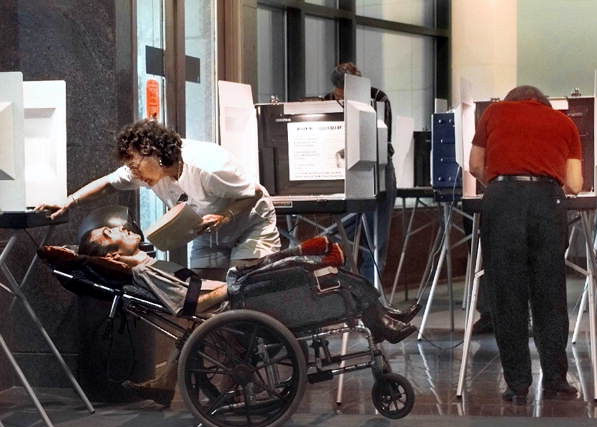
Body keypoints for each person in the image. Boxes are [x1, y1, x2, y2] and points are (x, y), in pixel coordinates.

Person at [78, 224, 417, 405]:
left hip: (236, 292)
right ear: (111, 255)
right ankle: (384, 321)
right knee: (309, 272)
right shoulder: (145, 273)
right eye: (109, 234)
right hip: (236, 300)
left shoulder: (152, 264)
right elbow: (190, 305)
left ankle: (384, 317)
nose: (118, 228)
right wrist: (234, 286)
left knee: (315, 269)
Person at [37, 119, 281, 282]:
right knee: (199, 295)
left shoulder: (208, 166)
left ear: (152, 152)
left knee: (241, 288)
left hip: (250, 226)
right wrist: (69, 201)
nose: (134, 173)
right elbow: (108, 184)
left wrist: (224, 216)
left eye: (134, 165)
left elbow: (254, 193)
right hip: (206, 232)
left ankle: (255, 352)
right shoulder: (147, 172)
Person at [469, 85, 583, 403]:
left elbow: (475, 165)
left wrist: (500, 184)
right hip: (548, 202)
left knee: (507, 293)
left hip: (502, 198)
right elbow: (574, 183)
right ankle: (557, 379)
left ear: (511, 102)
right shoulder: (565, 123)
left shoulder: (493, 113)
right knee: (550, 291)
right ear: (543, 103)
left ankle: (518, 384)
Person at [323, 62, 396, 282]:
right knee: (338, 237)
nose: (345, 99)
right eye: (341, 94)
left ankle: (370, 299)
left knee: (376, 242)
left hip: (378, 170)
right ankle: (342, 294)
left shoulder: (378, 98)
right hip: (340, 172)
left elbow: (382, 141)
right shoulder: (327, 101)